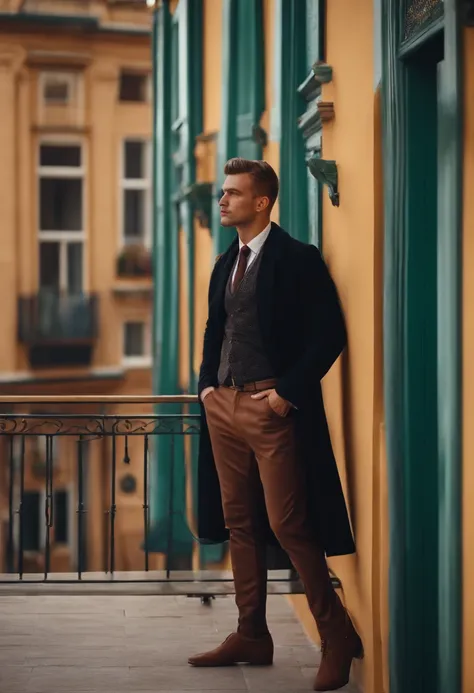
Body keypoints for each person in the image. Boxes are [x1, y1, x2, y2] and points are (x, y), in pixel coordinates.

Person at [189, 158, 362, 691]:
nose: (222, 201)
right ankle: (251, 633)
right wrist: (206, 387)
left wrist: (287, 393)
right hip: (224, 408)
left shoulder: (297, 259)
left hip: (270, 409)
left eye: (232, 194)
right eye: (223, 193)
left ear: (261, 202)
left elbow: (329, 333)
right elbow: (216, 329)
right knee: (240, 523)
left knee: (289, 524)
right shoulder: (226, 261)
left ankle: (336, 634)